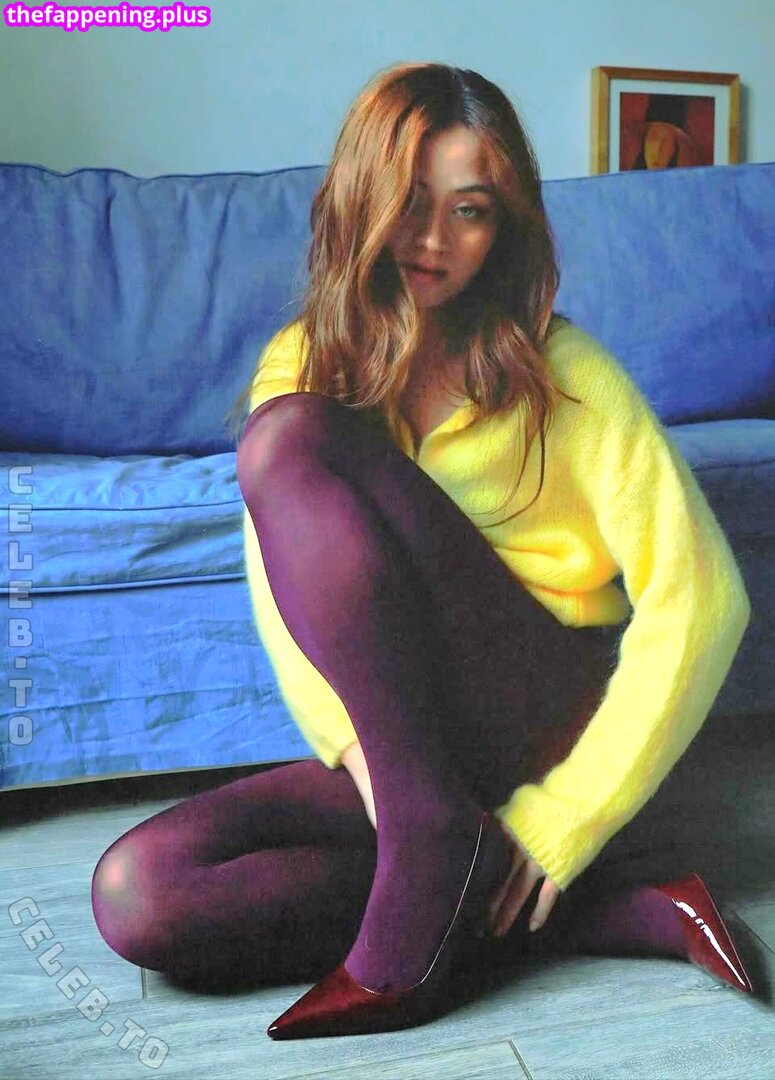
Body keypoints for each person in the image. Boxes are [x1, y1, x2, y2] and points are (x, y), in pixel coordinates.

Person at [91, 62, 754, 1039]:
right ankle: (522, 887)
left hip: (547, 717)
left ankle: (443, 850)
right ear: (361, 198)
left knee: (287, 437)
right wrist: (369, 763)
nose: (433, 239)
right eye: (408, 201)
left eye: (469, 209)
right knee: (141, 892)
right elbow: (281, 590)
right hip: (417, 751)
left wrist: (567, 816)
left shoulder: (564, 372)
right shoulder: (306, 359)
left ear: (504, 225)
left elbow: (703, 599)